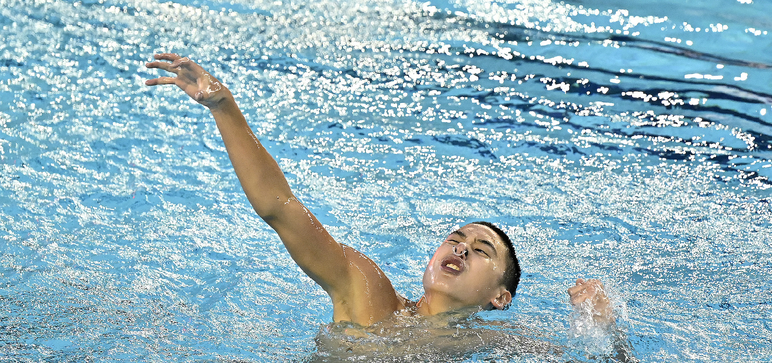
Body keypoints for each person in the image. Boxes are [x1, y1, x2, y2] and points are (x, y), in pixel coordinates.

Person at [143, 53, 618, 333]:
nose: (460, 247)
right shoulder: (369, 292)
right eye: (457, 238)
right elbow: (281, 209)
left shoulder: (496, 346)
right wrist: (225, 108)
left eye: (480, 250)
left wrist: (601, 324)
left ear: (500, 298)